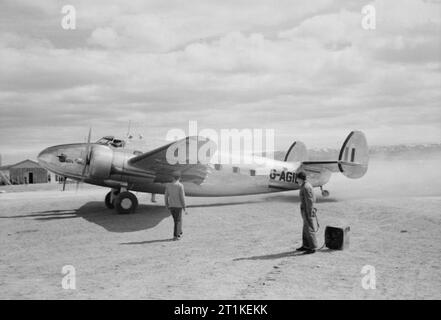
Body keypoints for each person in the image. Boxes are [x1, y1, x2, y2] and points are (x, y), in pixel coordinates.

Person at [296, 171, 318, 254]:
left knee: (309, 228)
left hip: (307, 210)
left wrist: (310, 211)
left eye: (297, 178)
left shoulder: (306, 187)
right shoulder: (305, 185)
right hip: (305, 209)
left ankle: (312, 247)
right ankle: (305, 245)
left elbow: (310, 201)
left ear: (300, 178)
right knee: (306, 228)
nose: (297, 180)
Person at [164, 173, 187, 240]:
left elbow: (166, 196)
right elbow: (182, 197)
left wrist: (166, 204)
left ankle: (179, 232)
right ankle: (175, 235)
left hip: (171, 205)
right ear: (179, 178)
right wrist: (184, 207)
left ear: (173, 178)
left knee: (176, 220)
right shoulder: (180, 185)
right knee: (177, 220)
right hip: (178, 205)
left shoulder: (168, 185)